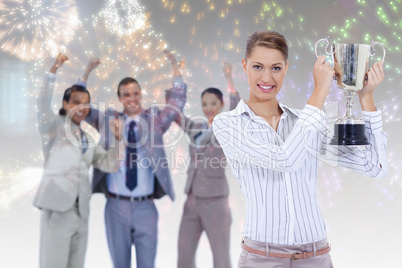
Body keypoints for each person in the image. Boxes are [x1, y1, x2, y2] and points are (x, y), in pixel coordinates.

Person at [212, 31, 388, 268]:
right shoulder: (228, 124)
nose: (266, 77)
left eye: (275, 68)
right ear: (244, 66)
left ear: (286, 67)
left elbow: (374, 167)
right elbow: (285, 159)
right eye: (257, 66)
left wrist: (366, 98)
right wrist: (319, 92)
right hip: (261, 259)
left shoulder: (305, 121)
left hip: (316, 257)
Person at [85, 49, 187, 268]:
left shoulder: (154, 120)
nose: (132, 98)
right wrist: (86, 73)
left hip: (145, 207)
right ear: (120, 97)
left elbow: (176, 105)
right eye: (126, 94)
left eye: (135, 93)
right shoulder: (109, 120)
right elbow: (82, 108)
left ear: (141, 95)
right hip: (115, 206)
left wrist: (175, 67)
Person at [33, 54, 122, 268]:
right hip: (57, 208)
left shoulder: (89, 138)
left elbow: (110, 164)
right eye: (76, 102)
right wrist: (53, 71)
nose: (81, 107)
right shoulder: (54, 127)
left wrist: (118, 141)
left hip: (81, 211)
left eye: (86, 104)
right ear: (65, 103)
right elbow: (42, 102)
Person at [176, 62, 240, 268]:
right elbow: (175, 114)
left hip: (216, 201)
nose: (208, 108)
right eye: (204, 104)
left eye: (213, 103)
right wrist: (177, 76)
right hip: (192, 199)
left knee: (220, 257)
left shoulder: (227, 127)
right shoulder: (196, 126)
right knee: (184, 257)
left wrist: (229, 79)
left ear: (221, 104)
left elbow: (237, 107)